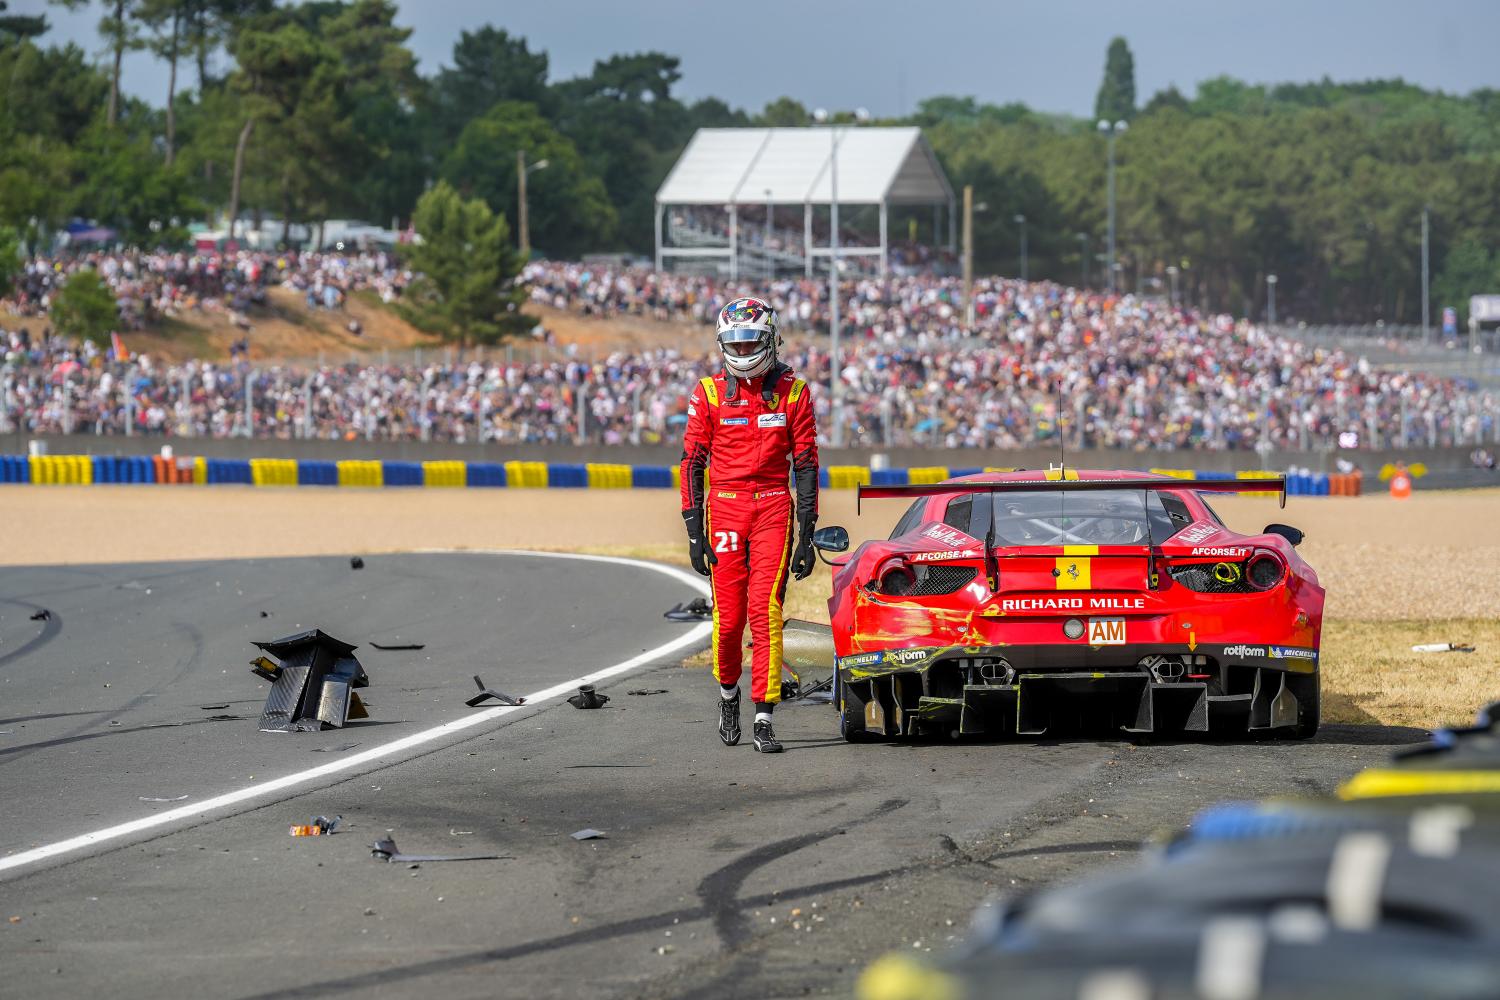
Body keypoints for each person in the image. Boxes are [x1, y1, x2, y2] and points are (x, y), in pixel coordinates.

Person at [679, 296, 819, 753]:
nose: (741, 353)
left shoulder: (795, 392)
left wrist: (807, 529)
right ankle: (727, 696)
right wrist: (694, 532)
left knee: (766, 614)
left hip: (775, 507)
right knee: (729, 620)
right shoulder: (709, 393)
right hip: (724, 508)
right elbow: (691, 464)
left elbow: (807, 463)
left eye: (750, 343)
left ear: (771, 340)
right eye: (733, 345)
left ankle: (764, 715)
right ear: (722, 345)